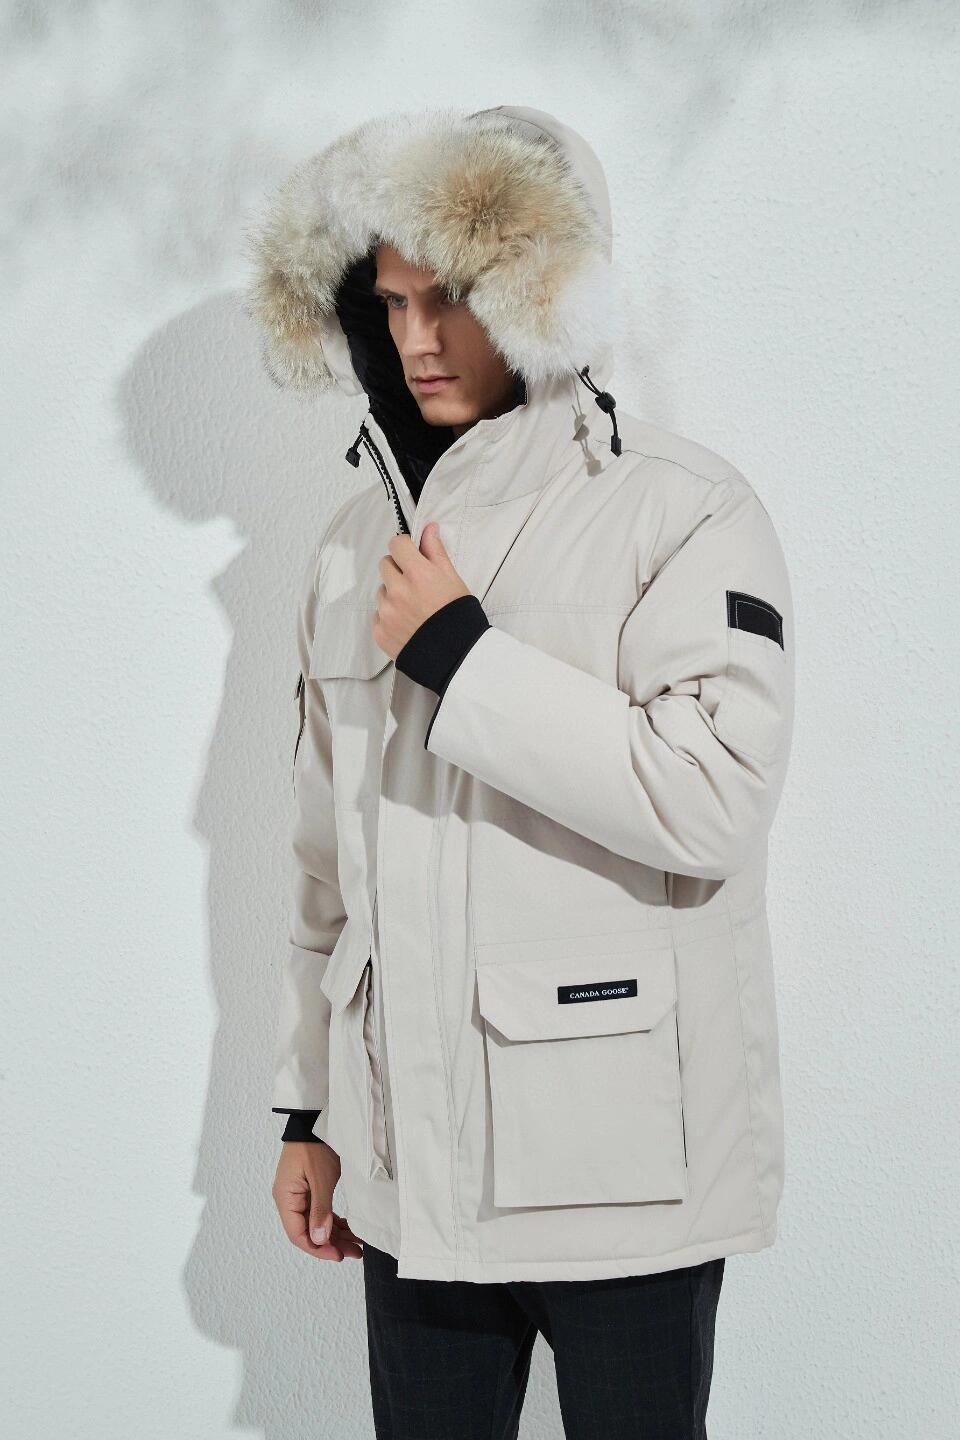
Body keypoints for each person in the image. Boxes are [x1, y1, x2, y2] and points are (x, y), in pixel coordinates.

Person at [244, 103, 795, 1439]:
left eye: (452, 297)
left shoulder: (681, 507)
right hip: (407, 1177)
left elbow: (713, 797)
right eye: (390, 304)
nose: (417, 339)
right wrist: (307, 1108)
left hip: (623, 1178)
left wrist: (464, 659)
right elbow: (325, 860)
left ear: (539, 291)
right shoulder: (351, 545)